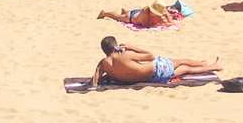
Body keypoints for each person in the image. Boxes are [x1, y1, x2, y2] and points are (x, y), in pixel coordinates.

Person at [91, 37, 222, 85]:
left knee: (185, 69)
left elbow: (94, 81)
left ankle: (209, 65)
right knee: (181, 62)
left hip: (148, 79)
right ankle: (208, 65)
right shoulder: (125, 55)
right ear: (116, 45)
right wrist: (132, 47)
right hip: (157, 71)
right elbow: (150, 56)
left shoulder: (103, 64)